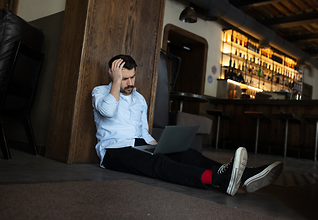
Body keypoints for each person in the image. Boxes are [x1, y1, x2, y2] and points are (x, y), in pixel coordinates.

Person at [92, 54, 283, 196]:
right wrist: (116, 82)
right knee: (159, 164)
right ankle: (218, 179)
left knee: (186, 154)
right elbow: (108, 111)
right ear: (113, 75)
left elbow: (143, 130)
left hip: (140, 144)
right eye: (124, 78)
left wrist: (157, 144)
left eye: (132, 77)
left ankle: (244, 175)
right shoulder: (100, 92)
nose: (130, 83)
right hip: (114, 150)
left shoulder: (139, 99)